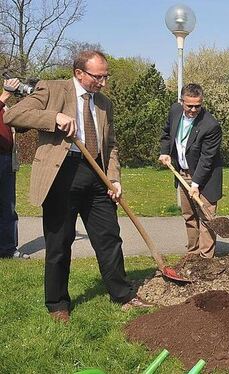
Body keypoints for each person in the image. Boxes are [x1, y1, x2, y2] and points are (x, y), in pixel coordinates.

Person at [5, 50, 151, 322]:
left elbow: (111, 145)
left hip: (97, 174)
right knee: (59, 242)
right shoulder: (52, 89)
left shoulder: (105, 103)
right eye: (98, 77)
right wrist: (54, 118)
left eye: (105, 76)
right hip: (62, 174)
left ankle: (122, 294)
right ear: (78, 73)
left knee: (109, 238)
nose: (103, 83)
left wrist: (114, 177)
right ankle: (58, 303)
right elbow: (13, 115)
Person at [159, 83, 223, 258]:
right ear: (181, 102)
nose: (194, 110)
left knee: (207, 218)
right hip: (182, 174)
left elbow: (206, 159)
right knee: (189, 216)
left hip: (206, 178)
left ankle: (205, 259)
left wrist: (195, 184)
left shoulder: (211, 125)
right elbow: (166, 133)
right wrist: (165, 152)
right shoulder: (174, 112)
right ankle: (192, 254)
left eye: (198, 106)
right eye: (189, 106)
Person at [0, 78, 30, 259]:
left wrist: (24, 103)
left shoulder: (4, 107)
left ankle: (8, 249)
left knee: (8, 206)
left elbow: (20, 127)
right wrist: (5, 95)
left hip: (6, 159)